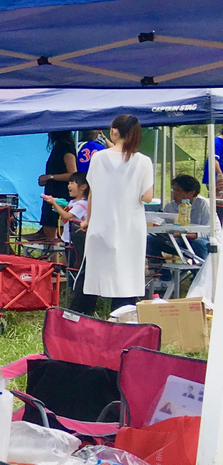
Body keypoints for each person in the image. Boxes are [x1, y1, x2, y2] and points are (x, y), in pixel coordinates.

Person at [74, 114, 153, 316]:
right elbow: (147, 197)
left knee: (92, 274)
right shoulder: (143, 161)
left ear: (114, 131)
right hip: (130, 227)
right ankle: (121, 319)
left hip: (102, 224)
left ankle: (81, 318)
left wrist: (88, 220)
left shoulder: (99, 157)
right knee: (126, 276)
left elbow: (92, 192)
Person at [146, 173, 211, 260]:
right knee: (149, 240)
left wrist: (182, 234)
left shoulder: (203, 205)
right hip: (178, 241)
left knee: (199, 243)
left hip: (201, 242)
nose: (174, 193)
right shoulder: (170, 206)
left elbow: (208, 233)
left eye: (178, 190)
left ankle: (201, 268)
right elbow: (163, 226)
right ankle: (159, 267)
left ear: (191, 193)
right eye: (173, 189)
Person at [35, 131, 78, 242]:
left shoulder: (66, 148)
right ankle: (53, 252)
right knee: (49, 229)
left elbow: (72, 174)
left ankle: (61, 251)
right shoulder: (57, 147)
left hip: (61, 195)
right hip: (51, 192)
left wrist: (51, 177)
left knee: (60, 231)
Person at [44, 172, 90, 246]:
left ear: (83, 187)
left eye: (72, 183)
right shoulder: (72, 202)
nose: (69, 186)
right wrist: (60, 208)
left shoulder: (82, 204)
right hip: (68, 238)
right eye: (69, 183)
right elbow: (64, 218)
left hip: (76, 240)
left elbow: (66, 216)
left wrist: (54, 203)